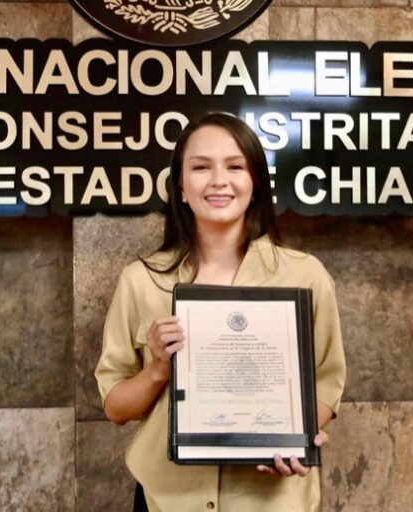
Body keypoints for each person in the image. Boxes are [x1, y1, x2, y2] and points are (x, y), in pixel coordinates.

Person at [95, 112, 346, 512]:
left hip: (269, 501)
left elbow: (327, 385)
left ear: (255, 183)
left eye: (235, 166)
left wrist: (293, 439)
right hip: (168, 501)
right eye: (200, 167)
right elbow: (115, 406)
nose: (218, 180)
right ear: (180, 187)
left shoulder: (306, 276)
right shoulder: (140, 281)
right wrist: (158, 368)